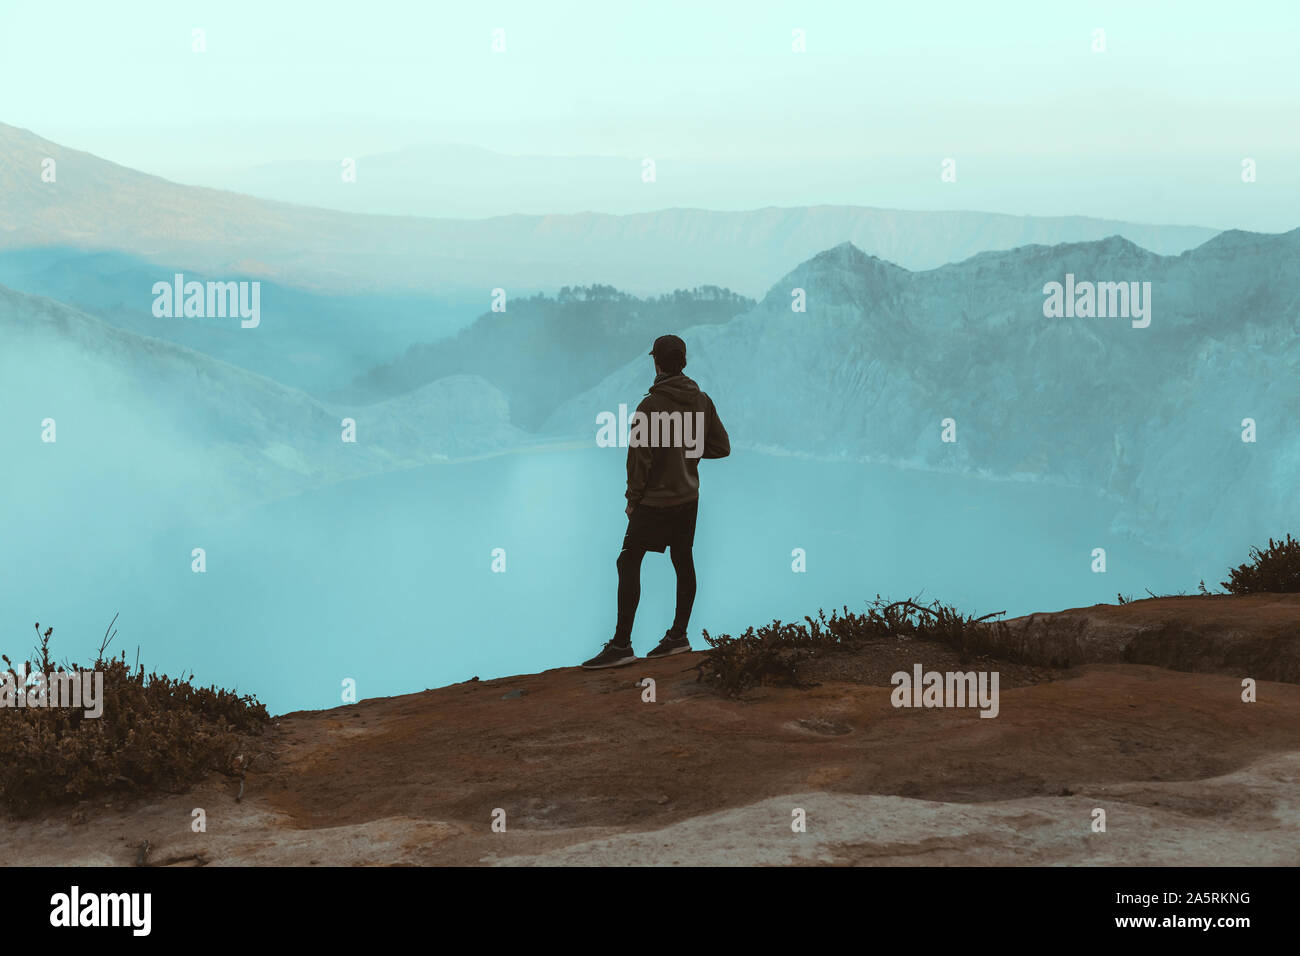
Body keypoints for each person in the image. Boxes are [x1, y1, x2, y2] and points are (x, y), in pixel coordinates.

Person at [582, 334, 730, 669]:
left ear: (657, 363)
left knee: (628, 561)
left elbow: (639, 461)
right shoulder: (702, 400)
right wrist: (685, 451)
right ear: (684, 362)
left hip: (654, 502)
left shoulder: (649, 406)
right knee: (683, 561)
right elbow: (721, 447)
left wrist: (633, 500)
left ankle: (621, 646)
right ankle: (678, 637)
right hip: (688, 499)